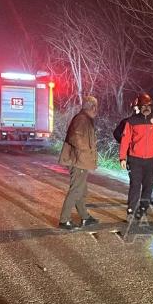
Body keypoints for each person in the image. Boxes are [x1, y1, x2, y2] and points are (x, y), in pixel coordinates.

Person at [119, 93, 153, 221]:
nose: (146, 107)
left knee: (148, 186)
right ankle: (130, 211)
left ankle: (143, 210)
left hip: (152, 160)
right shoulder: (131, 121)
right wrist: (122, 157)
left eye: (148, 105)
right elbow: (125, 140)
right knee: (135, 185)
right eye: (143, 105)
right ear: (139, 106)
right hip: (135, 159)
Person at [58, 96, 100, 230]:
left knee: (81, 190)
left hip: (81, 160)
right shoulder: (82, 119)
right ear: (92, 107)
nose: (96, 110)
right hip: (78, 161)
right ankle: (64, 221)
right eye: (96, 107)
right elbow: (75, 137)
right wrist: (86, 150)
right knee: (76, 190)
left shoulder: (84, 118)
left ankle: (85, 218)